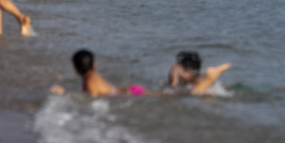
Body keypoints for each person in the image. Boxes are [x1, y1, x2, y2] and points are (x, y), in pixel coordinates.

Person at [54, 49, 229, 97]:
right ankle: (211, 77)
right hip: (131, 91)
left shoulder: (90, 79)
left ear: (75, 69)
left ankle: (211, 77)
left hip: (132, 92)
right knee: (174, 97)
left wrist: (65, 94)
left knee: (178, 97)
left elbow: (91, 100)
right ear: (95, 64)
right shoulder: (93, 76)